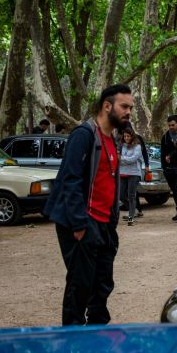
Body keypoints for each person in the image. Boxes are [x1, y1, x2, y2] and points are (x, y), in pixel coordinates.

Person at [44, 84, 133, 326]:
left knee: (102, 284)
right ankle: (72, 341)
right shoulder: (83, 135)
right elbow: (69, 179)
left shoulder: (113, 140)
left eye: (131, 108)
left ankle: (97, 336)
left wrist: (112, 219)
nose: (129, 112)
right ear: (107, 106)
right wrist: (79, 223)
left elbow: (109, 183)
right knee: (80, 286)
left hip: (104, 223)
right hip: (82, 221)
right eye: (124, 106)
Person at [119, 127, 144, 226]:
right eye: (125, 136)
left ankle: (131, 216)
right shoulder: (122, 146)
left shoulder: (137, 146)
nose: (126, 138)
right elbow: (119, 158)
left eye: (128, 136)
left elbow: (133, 159)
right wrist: (124, 159)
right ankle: (132, 209)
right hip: (122, 172)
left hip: (134, 173)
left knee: (131, 195)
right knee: (121, 195)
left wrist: (121, 159)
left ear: (132, 136)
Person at [161, 114, 177, 221]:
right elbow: (162, 154)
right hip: (169, 169)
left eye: (173, 125)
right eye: (169, 125)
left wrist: (172, 155)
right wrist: (164, 167)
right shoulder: (165, 137)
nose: (171, 127)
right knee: (175, 191)